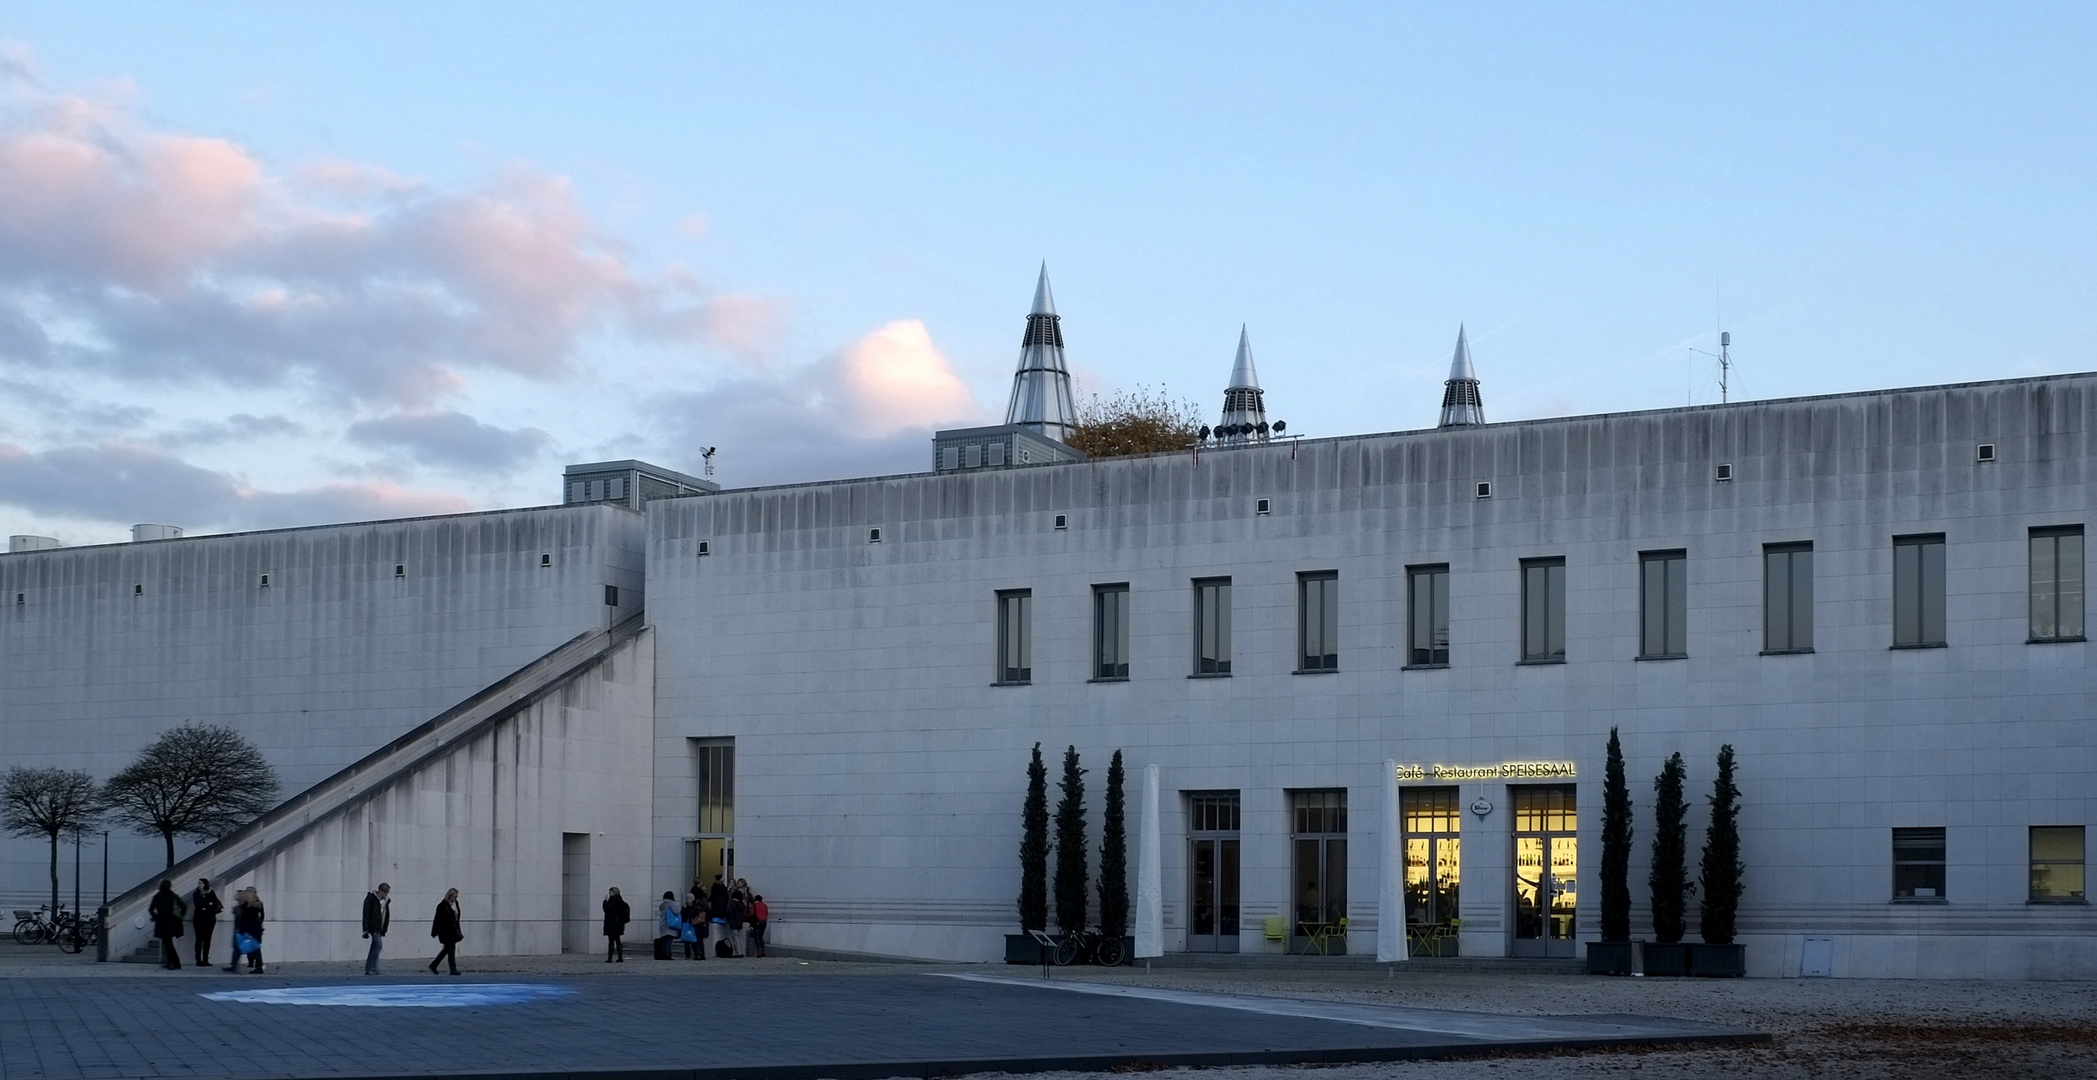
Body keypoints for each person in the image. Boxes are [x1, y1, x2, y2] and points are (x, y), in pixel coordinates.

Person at [147, 880, 186, 969]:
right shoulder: (173, 896)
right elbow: (183, 907)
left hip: (162, 922)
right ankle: (174, 962)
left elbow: (151, 909)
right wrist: (180, 917)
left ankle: (174, 962)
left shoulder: (157, 896)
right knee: (169, 944)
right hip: (172, 922)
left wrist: (156, 917)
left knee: (167, 944)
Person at [225, 887, 265, 974]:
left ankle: (258, 966)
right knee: (239, 948)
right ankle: (234, 965)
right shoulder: (246, 904)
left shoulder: (254, 905)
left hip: (251, 930)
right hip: (246, 929)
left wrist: (250, 932)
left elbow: (255, 919)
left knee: (254, 949)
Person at [188, 878, 223, 969]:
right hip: (199, 919)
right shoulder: (196, 894)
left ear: (205, 884)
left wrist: (207, 905)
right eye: (198, 883)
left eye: (200, 883)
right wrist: (208, 904)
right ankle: (198, 959)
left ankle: (205, 959)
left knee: (207, 939)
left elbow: (214, 904)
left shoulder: (211, 892)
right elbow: (199, 905)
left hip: (210, 919)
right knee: (199, 939)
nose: (199, 885)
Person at [428, 888, 462, 975]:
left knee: (447, 949)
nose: (455, 899)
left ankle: (434, 965)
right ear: (449, 896)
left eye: (456, 897)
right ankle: (452, 968)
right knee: (450, 949)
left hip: (453, 930)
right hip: (445, 931)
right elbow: (437, 919)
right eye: (454, 897)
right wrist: (435, 931)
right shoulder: (442, 906)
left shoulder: (455, 904)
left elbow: (457, 918)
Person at [361, 882, 391, 975]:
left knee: (375, 947)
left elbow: (386, 915)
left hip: (379, 927)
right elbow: (366, 914)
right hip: (373, 926)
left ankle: (373, 968)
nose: (386, 895)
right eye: (385, 893)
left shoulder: (385, 901)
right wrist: (365, 929)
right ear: (381, 891)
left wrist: (384, 928)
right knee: (378, 945)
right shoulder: (371, 899)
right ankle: (370, 967)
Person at [601, 887, 630, 962]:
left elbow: (606, 909)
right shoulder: (622, 902)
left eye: (610, 892)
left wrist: (605, 901)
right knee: (617, 940)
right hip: (619, 924)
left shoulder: (612, 901)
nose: (609, 893)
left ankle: (610, 958)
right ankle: (620, 957)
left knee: (611, 941)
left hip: (611, 923)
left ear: (613, 892)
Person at [679, 891, 704, 960]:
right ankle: (687, 955)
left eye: (689, 898)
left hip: (694, 925)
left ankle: (697, 954)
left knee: (693, 940)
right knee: (686, 941)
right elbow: (682, 915)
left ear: (693, 899)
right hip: (686, 924)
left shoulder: (696, 908)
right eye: (687, 898)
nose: (688, 899)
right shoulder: (685, 908)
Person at [654, 891, 678, 960]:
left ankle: (664, 954)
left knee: (665, 941)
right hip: (670, 924)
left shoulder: (662, 904)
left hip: (663, 924)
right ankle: (667, 955)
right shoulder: (671, 903)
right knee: (669, 941)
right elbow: (676, 911)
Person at [749, 894, 769, 958]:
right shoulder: (765, 905)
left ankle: (759, 951)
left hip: (757, 921)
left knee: (757, 937)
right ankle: (763, 950)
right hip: (764, 922)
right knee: (761, 936)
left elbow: (751, 914)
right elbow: (767, 913)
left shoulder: (754, 905)